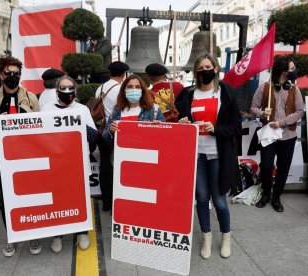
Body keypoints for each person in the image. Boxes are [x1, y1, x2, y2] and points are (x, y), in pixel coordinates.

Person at [175, 53, 241, 260]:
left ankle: (226, 237)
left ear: (215, 68)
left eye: (208, 66)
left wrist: (215, 129)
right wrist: (182, 124)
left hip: (218, 155)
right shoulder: (187, 95)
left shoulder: (226, 92)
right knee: (201, 198)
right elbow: (178, 122)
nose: (204, 70)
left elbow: (236, 127)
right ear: (196, 72)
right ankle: (206, 237)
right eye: (200, 67)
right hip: (196, 156)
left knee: (219, 200)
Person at [0, 56, 40, 257]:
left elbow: (39, 127)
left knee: (30, 197)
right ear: (1, 75)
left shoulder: (31, 98)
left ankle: (33, 234)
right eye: (8, 73)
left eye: (16, 73)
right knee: (8, 199)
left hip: (27, 157)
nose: (12, 77)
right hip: (1, 157)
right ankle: (12, 237)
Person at [42, 75, 98, 253]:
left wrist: (76, 125)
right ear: (57, 90)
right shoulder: (46, 108)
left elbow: (93, 136)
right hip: (55, 165)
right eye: (63, 88)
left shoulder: (82, 109)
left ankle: (82, 232)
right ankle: (58, 234)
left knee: (79, 199)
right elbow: (40, 136)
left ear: (75, 90)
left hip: (78, 164)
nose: (67, 91)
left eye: (70, 87)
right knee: (58, 201)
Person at [251, 56, 304, 212]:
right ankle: (266, 193)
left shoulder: (295, 89)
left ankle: (276, 197)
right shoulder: (264, 87)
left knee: (283, 167)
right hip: (268, 135)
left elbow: (300, 111)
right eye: (292, 69)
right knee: (266, 166)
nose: (294, 72)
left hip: (288, 135)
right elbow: (253, 107)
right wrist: (262, 113)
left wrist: (281, 122)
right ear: (283, 71)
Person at [94, 61, 129, 212]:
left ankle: (106, 202)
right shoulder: (121, 89)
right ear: (123, 74)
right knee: (117, 166)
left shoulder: (100, 88)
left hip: (100, 131)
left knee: (104, 167)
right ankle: (117, 201)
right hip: (115, 131)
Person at [103, 74, 165, 144]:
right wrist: (110, 130)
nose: (134, 90)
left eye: (138, 87)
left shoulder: (154, 109)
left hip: (146, 152)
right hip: (123, 153)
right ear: (124, 90)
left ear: (142, 90)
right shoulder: (118, 110)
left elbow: (165, 136)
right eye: (130, 87)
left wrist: (160, 127)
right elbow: (105, 137)